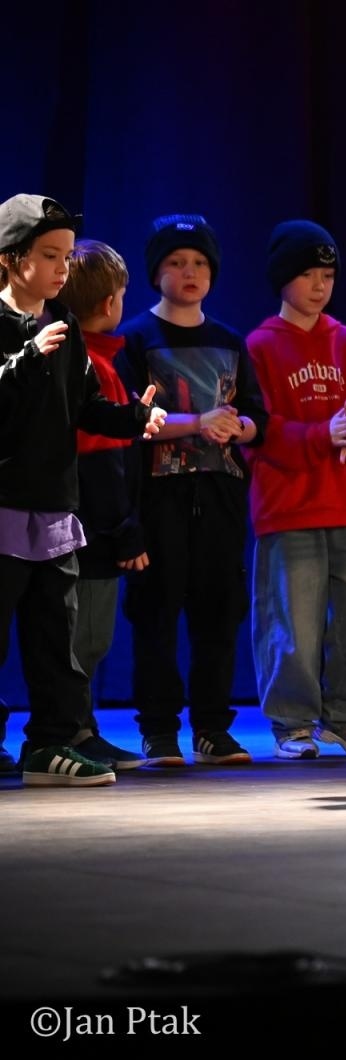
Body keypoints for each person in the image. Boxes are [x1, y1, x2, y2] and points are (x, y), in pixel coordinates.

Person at [0, 193, 165, 786]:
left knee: (56, 637)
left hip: (53, 508)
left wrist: (133, 418)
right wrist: (25, 359)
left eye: (67, 257)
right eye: (49, 255)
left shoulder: (64, 327)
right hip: (4, 507)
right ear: (11, 259)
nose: (61, 268)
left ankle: (51, 743)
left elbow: (86, 407)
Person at [117, 213, 266, 767]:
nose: (190, 272)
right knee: (156, 612)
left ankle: (212, 727)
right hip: (159, 496)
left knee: (219, 613)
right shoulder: (137, 338)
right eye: (177, 262)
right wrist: (198, 422)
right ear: (156, 272)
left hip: (219, 495)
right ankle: (159, 729)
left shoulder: (229, 340)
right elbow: (126, 421)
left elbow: (256, 418)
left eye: (200, 262)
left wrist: (237, 426)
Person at [246, 220, 346, 759]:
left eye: (327, 276)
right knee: (292, 621)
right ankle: (292, 722)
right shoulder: (260, 345)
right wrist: (319, 435)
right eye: (307, 274)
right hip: (287, 506)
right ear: (282, 278)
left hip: (345, 503)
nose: (319, 285)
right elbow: (258, 429)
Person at [58, 238, 147, 769]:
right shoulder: (94, 367)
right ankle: (76, 732)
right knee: (87, 640)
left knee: (80, 638)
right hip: (91, 533)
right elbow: (102, 463)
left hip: (80, 527)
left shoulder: (89, 360)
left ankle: (78, 727)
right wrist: (123, 531)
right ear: (110, 302)